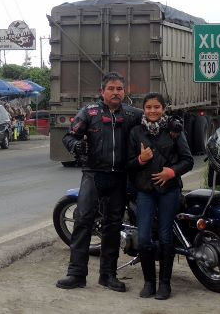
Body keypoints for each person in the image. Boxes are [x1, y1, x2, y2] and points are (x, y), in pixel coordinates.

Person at [56, 71, 143, 292]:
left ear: (125, 92)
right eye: (111, 89)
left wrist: (171, 125)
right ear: (102, 92)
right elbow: (68, 136)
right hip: (93, 176)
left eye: (119, 89)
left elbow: (155, 119)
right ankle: (76, 274)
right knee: (83, 223)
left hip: (119, 178)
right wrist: (76, 146)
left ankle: (108, 276)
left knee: (113, 227)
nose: (115, 93)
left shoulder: (133, 115)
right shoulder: (88, 112)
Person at [127, 92, 193, 300]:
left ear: (163, 109)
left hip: (169, 191)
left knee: (166, 237)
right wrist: (140, 160)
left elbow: (188, 160)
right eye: (149, 107)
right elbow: (128, 164)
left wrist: (171, 172)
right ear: (144, 109)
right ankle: (149, 282)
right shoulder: (136, 132)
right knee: (144, 237)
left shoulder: (174, 131)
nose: (153, 111)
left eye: (157, 107)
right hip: (145, 190)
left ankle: (165, 284)